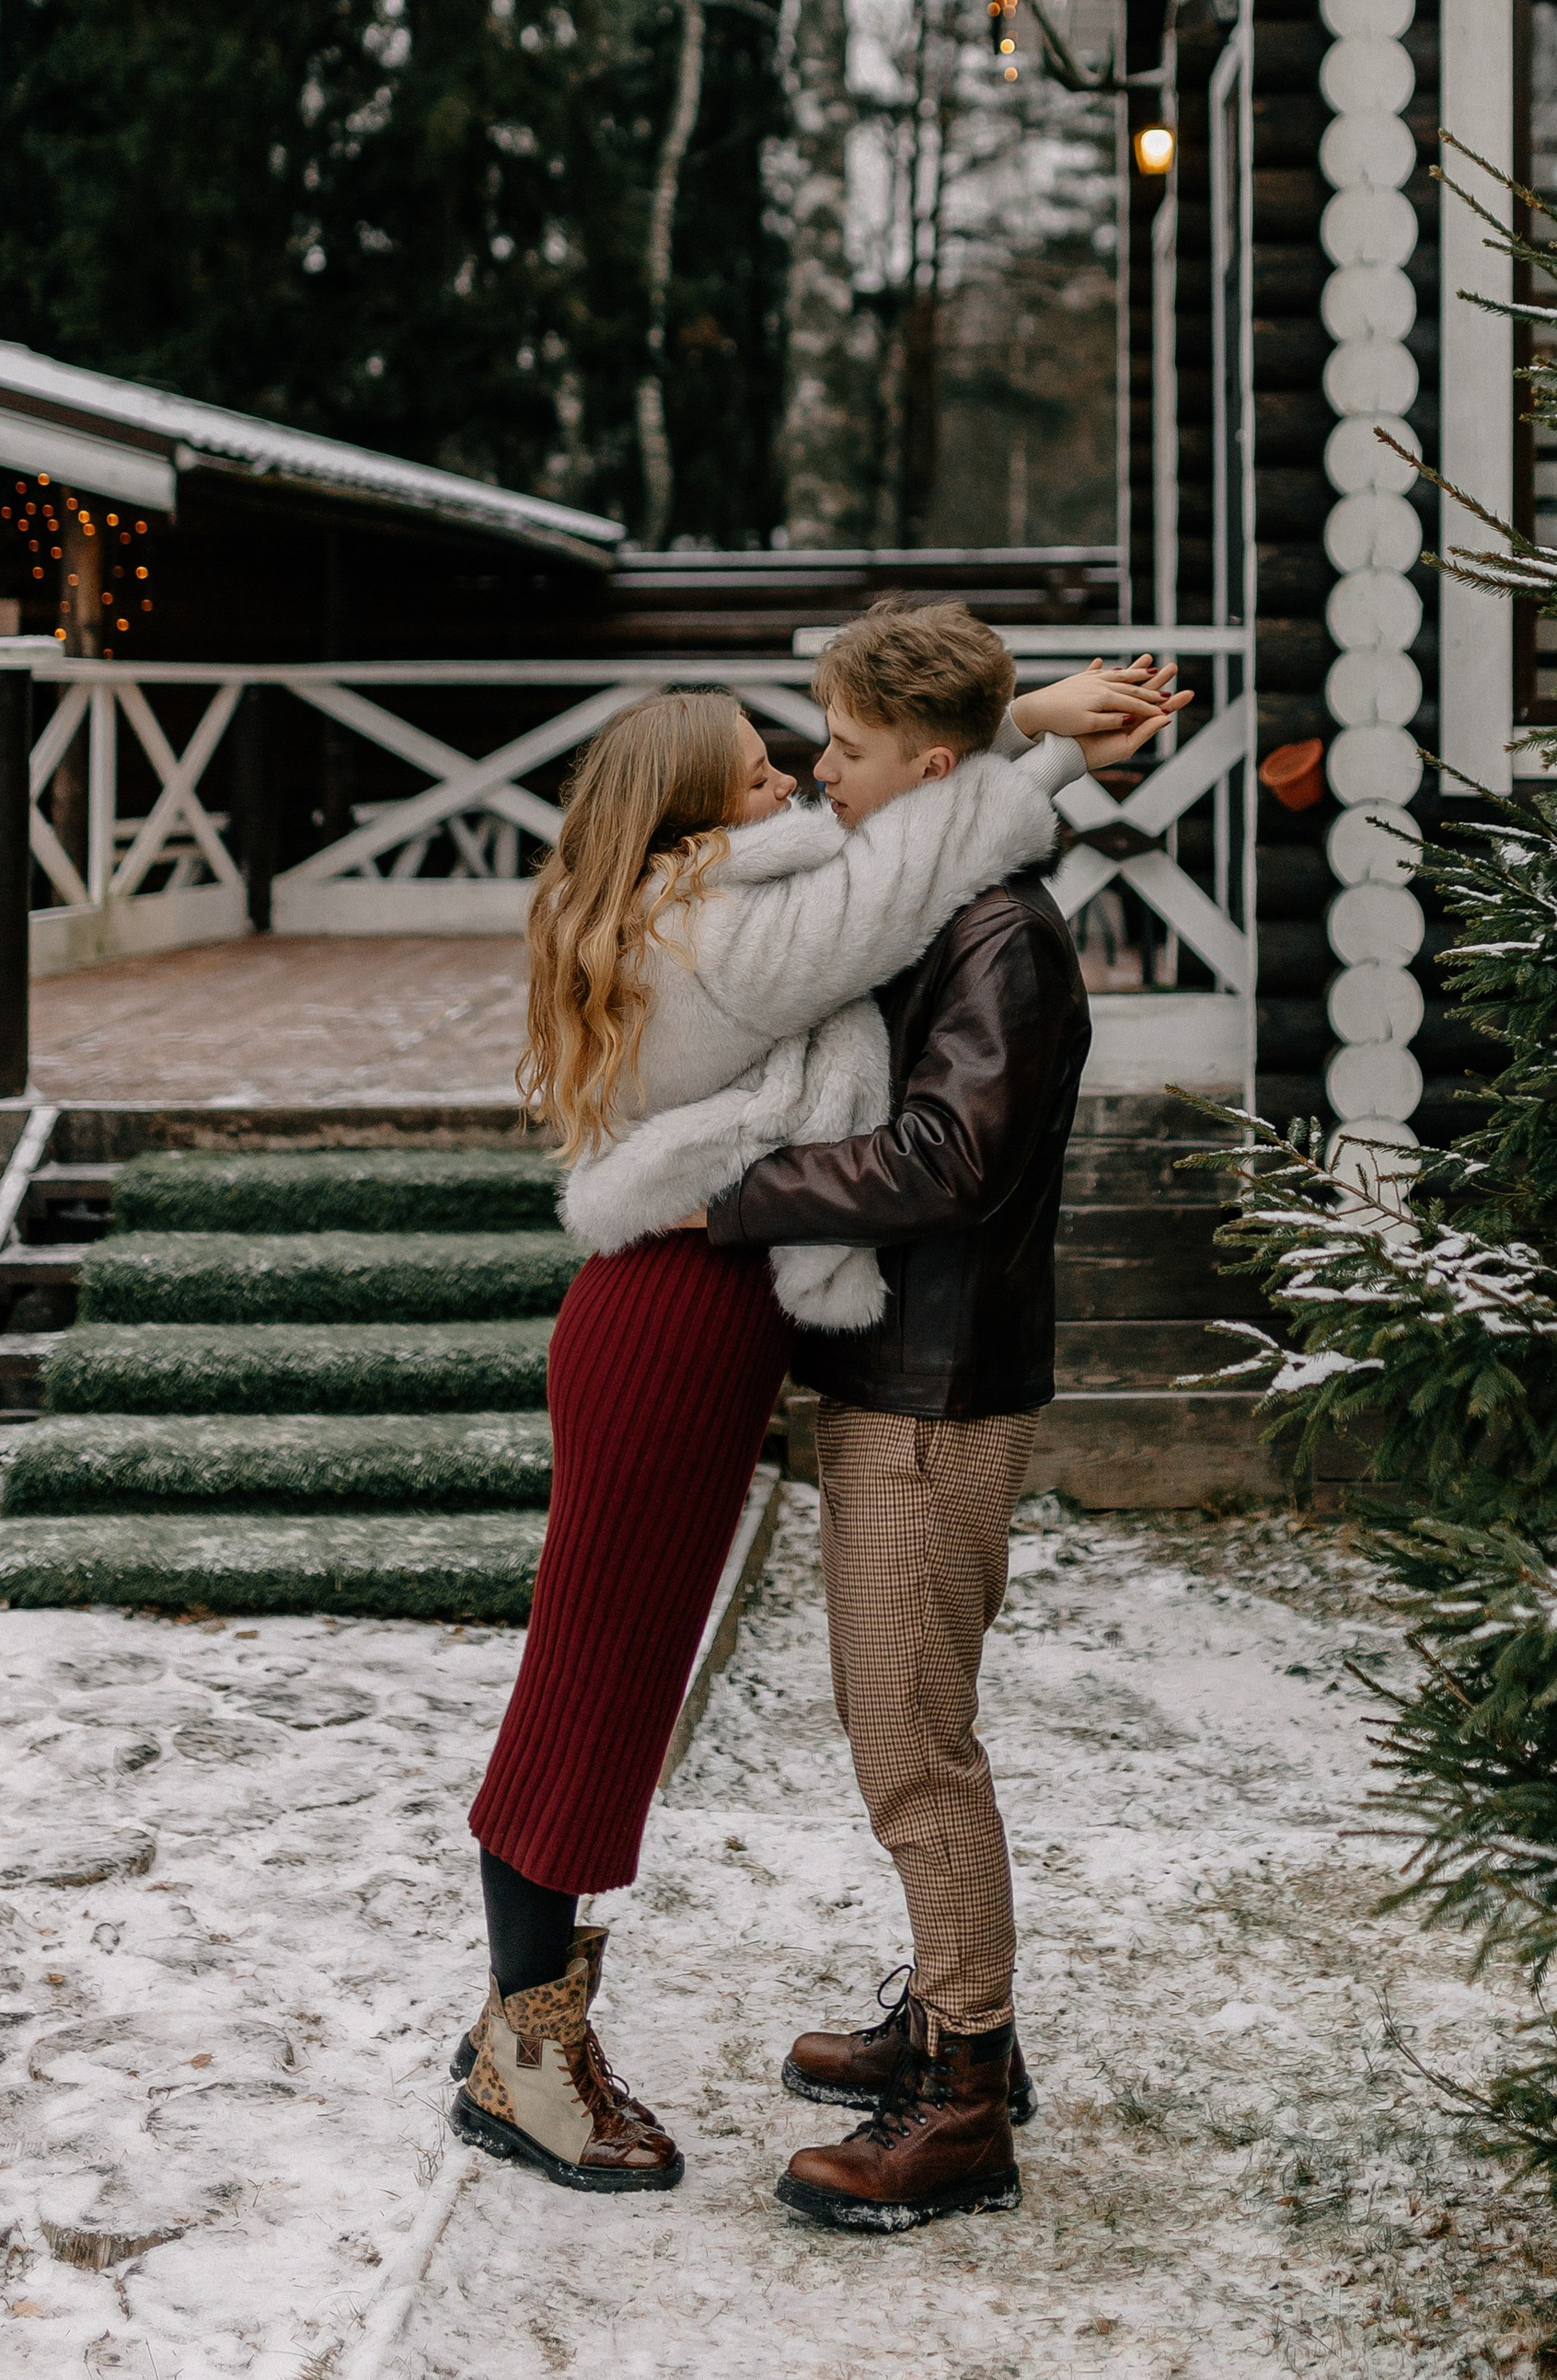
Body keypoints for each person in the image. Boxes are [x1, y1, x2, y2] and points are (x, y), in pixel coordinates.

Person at [448, 641, 1177, 2194]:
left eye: (808, 756)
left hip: (705, 1322)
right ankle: (525, 2049)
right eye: (761, 768)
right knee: (594, 1684)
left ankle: (532, 2022)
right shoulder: (714, 933)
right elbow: (908, 862)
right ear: (695, 811)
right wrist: (1026, 728)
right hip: (668, 1325)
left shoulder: (742, 905)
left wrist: (1017, 744)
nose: (791, 776)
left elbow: (908, 856)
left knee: (620, 1684)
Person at [706, 594, 1159, 2235]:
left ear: (931, 766)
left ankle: (964, 2100)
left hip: (934, 1393)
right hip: (904, 1374)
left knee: (911, 1748)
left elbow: (941, 1160)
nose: (821, 772)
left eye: (844, 747)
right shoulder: (942, 896)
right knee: (905, 1722)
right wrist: (1040, 720)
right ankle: (954, 2018)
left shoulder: (1001, 942)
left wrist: (739, 1190)